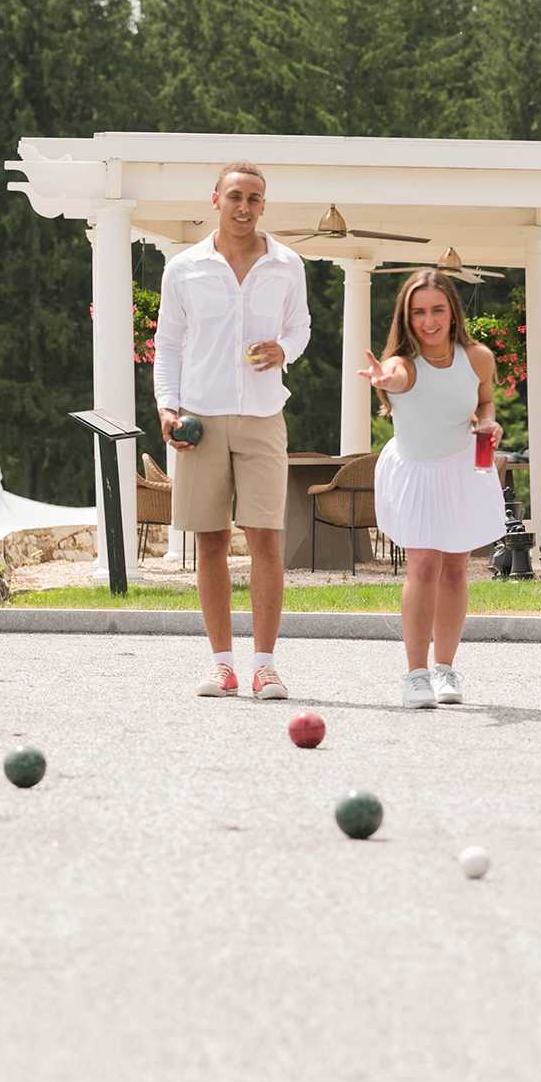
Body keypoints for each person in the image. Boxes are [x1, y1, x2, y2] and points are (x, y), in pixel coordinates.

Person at [154, 162, 311, 700]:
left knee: (266, 538)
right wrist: (167, 408)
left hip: (264, 415)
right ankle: (222, 664)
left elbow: (301, 326)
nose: (245, 207)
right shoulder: (184, 268)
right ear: (216, 198)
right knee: (212, 540)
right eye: (236, 196)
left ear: (264, 205)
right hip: (200, 416)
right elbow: (168, 343)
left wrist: (284, 349)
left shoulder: (287, 265)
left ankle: (265, 665)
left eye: (255, 199)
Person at [360, 269, 504, 708]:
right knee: (423, 565)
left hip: (462, 467)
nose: (428, 321)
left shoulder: (477, 357)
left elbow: (483, 399)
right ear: (407, 316)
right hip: (416, 471)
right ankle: (416, 674)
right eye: (418, 312)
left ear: (452, 312)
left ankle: (445, 669)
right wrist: (385, 381)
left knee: (457, 569)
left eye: (437, 310)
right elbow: (398, 377)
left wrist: (488, 420)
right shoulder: (402, 364)